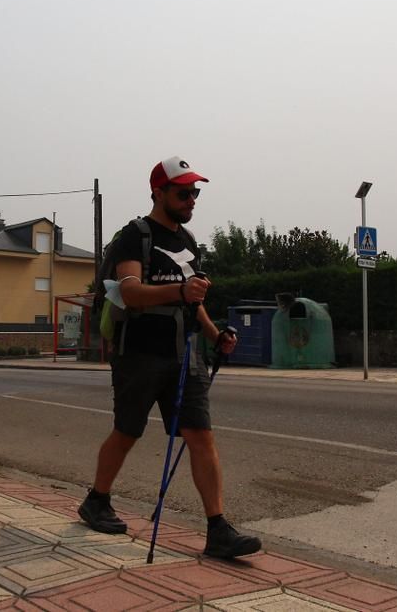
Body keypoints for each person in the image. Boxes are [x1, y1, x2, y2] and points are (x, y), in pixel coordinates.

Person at [78, 157, 261, 559]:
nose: (192, 199)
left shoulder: (189, 242)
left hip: (185, 353)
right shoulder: (135, 236)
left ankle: (217, 529)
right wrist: (180, 293)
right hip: (139, 352)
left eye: (195, 192)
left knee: (201, 435)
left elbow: (193, 300)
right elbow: (129, 291)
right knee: (128, 430)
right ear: (158, 193)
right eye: (184, 192)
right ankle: (96, 500)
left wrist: (215, 336)